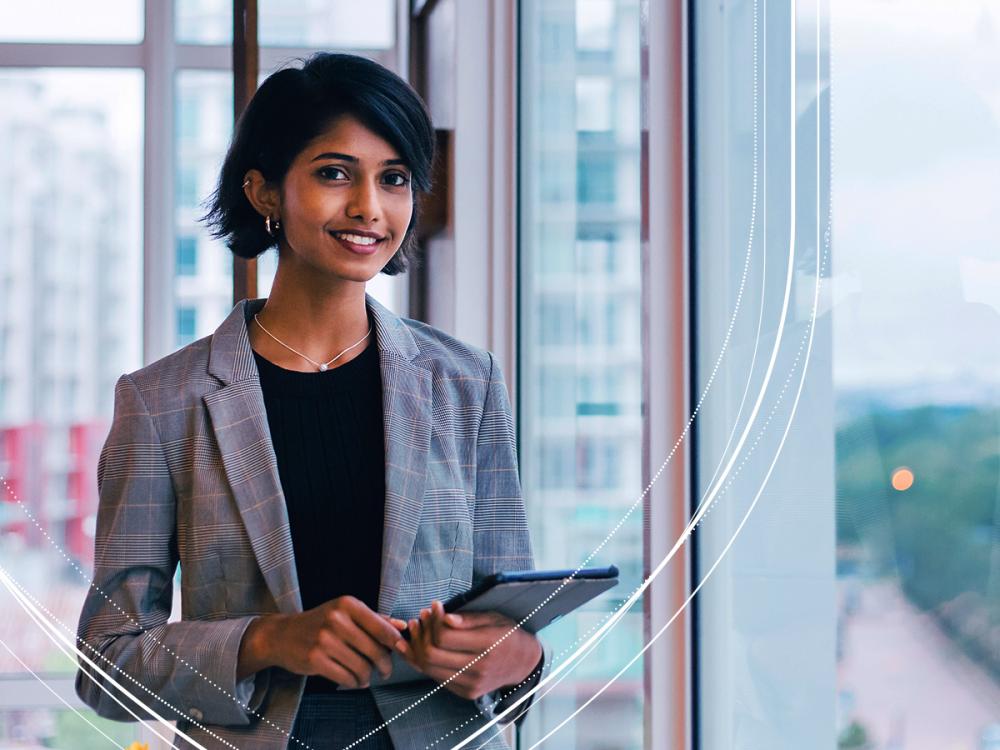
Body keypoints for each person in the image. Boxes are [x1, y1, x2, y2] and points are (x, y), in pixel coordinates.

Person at [75, 52, 547, 750]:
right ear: (265, 191)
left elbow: (511, 618)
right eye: (334, 173)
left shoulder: (465, 383)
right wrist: (267, 640)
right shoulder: (163, 404)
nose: (368, 207)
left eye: (394, 179)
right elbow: (106, 661)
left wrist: (520, 658)